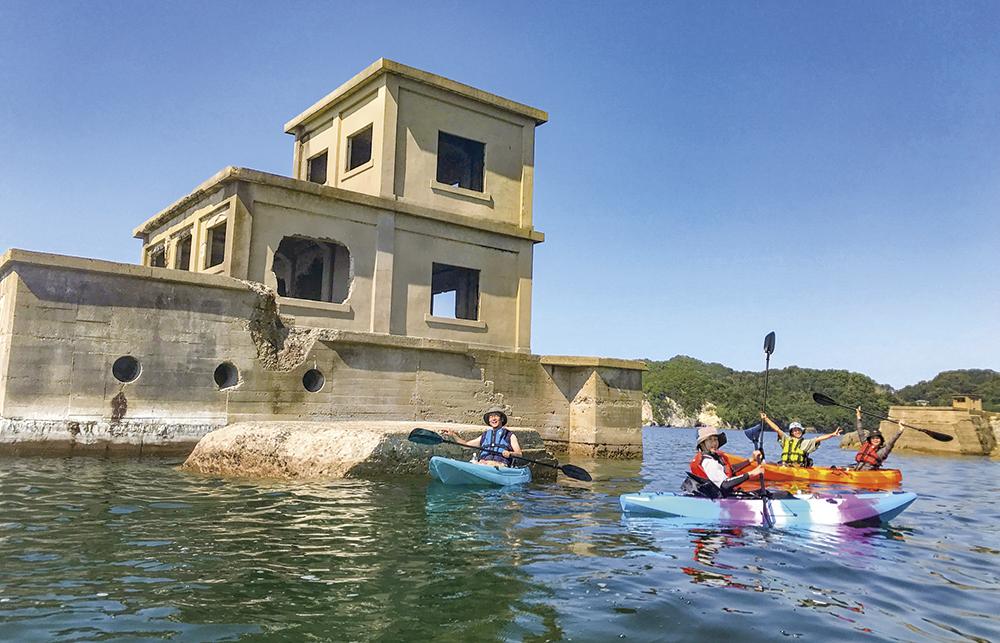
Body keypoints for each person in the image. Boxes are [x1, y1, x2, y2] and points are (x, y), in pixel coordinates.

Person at [683, 427, 764, 498]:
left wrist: (750, 460)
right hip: (719, 498)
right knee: (763, 494)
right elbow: (724, 484)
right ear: (702, 444)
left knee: (762, 492)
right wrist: (751, 474)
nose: (714, 443)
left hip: (723, 495)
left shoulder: (715, 457)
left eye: (715, 439)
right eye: (710, 440)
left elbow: (729, 470)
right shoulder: (708, 462)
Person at [442, 406, 522, 467]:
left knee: (488, 463)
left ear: (502, 419)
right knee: (478, 462)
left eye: (496, 416)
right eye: (491, 417)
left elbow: (519, 454)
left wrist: (510, 453)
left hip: (500, 465)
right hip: (483, 464)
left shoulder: (510, 435)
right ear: (489, 421)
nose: (493, 419)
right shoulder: (485, 435)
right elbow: (466, 445)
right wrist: (453, 435)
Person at [760, 413, 842, 467]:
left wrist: (832, 434)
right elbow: (777, 429)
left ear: (802, 431)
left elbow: (818, 439)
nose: (797, 432)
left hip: (797, 468)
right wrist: (766, 418)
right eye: (795, 430)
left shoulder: (805, 442)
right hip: (784, 465)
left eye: (799, 430)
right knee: (767, 463)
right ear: (791, 432)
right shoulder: (786, 439)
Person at [853, 406, 904, 470]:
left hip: (869, 474)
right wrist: (858, 417)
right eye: (873, 438)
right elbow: (860, 431)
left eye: (877, 438)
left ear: (881, 440)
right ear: (870, 440)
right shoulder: (866, 444)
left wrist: (900, 430)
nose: (875, 440)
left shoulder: (883, 451)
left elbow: (892, 441)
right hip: (857, 470)